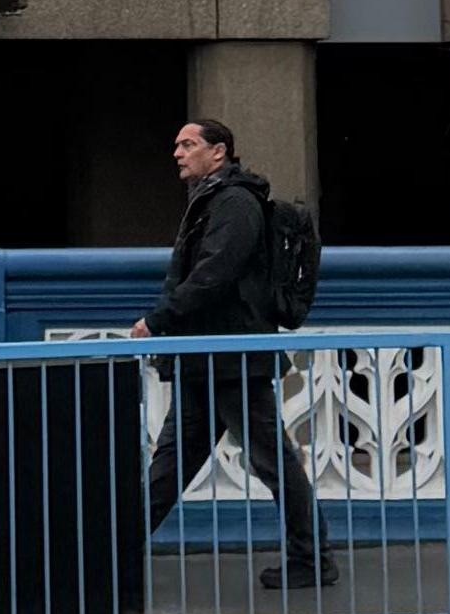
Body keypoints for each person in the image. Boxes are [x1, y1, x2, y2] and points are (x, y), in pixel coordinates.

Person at [137, 114, 330, 582]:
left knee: (271, 462)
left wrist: (158, 319)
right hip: (210, 358)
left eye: (187, 145)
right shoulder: (214, 200)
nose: (177, 154)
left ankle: (311, 559)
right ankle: (111, 550)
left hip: (231, 358)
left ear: (218, 151)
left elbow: (214, 274)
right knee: (174, 462)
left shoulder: (234, 202)